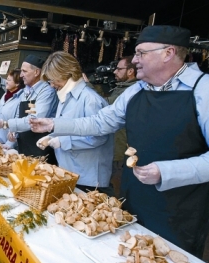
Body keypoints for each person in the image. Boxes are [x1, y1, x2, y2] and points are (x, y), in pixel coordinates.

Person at [30, 25, 209, 259]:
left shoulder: (202, 89)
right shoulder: (136, 91)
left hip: (182, 206)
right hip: (134, 193)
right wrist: (55, 125)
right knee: (130, 252)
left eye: (141, 53)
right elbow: (100, 122)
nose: (135, 60)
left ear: (168, 53)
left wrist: (166, 171)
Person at [36, 51, 114, 195]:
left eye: (54, 80)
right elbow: (67, 127)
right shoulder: (65, 96)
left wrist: (62, 141)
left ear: (67, 74)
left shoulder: (91, 99)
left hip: (89, 178)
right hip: (71, 170)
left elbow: (99, 137)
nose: (52, 85)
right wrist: (51, 137)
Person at [0, 55, 58, 164]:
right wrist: (14, 132)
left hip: (39, 148)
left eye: (24, 71)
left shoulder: (47, 92)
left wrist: (5, 124)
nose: (21, 75)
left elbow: (34, 119)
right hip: (23, 146)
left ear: (36, 72)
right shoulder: (25, 91)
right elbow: (21, 115)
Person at [108, 55, 137, 197]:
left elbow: (106, 104)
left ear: (130, 71)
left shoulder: (131, 90)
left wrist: (88, 86)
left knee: (116, 181)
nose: (115, 72)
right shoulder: (123, 88)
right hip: (115, 143)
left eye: (119, 69)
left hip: (119, 146)